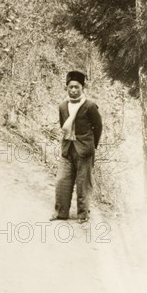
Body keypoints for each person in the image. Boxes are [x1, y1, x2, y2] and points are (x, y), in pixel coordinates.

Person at [50, 70, 102, 224]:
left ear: (82, 88)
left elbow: (98, 127)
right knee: (61, 181)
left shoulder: (90, 106)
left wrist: (92, 146)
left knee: (83, 183)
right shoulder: (62, 106)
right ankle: (61, 212)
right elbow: (63, 125)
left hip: (84, 150)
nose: (73, 90)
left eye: (77, 87)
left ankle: (83, 214)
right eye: (70, 87)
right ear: (66, 88)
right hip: (67, 149)